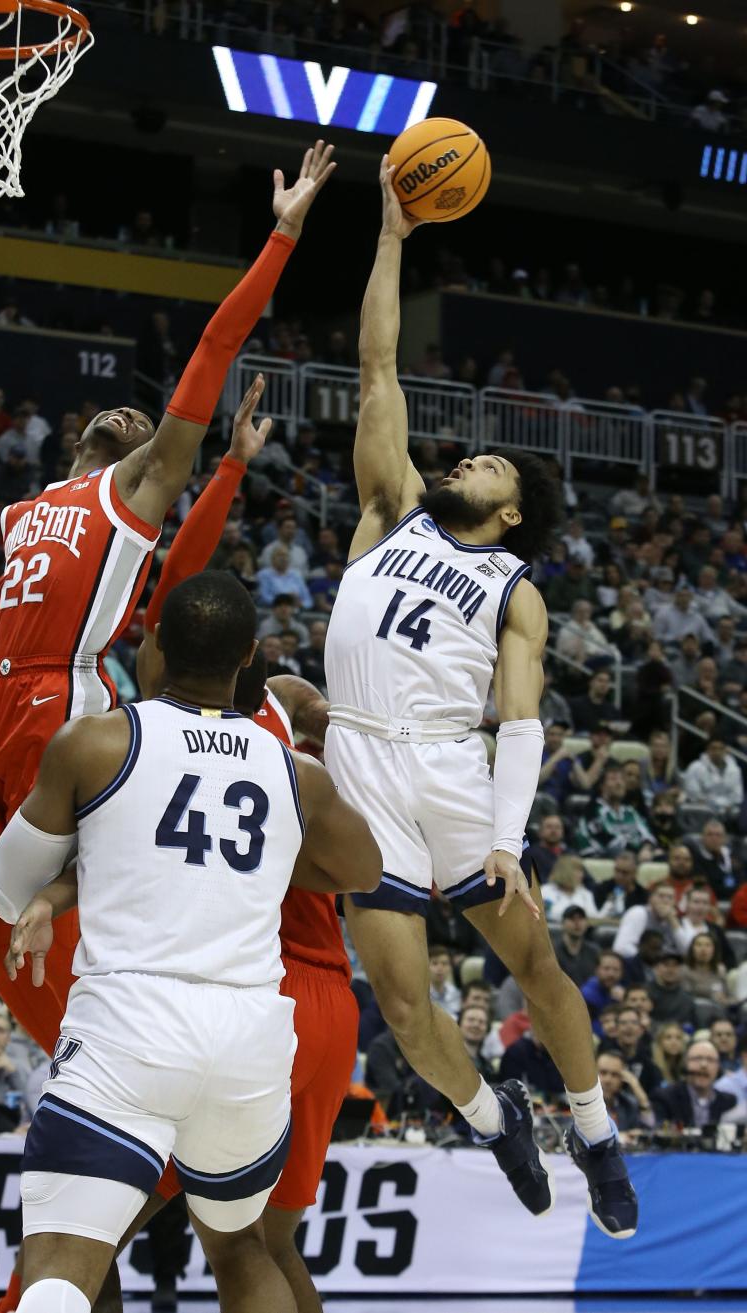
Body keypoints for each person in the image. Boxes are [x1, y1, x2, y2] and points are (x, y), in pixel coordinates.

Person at [0, 145, 336, 1080]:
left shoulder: (138, 490)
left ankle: (126, 1067)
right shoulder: (24, 509)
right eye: (116, 412)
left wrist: (281, 234)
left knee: (60, 903)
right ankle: (90, 1061)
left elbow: (208, 351)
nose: (133, 415)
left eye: (146, 417)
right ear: (79, 435)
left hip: (59, 705)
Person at [320, 157, 635, 1238]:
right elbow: (376, 365)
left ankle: (593, 1129)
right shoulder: (390, 507)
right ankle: (490, 1113)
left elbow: (522, 718)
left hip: (452, 767)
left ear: (511, 516)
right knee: (403, 1002)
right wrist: (394, 236)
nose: (473, 459)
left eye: (493, 466)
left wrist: (506, 833)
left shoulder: (517, 588)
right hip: (361, 765)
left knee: (535, 958)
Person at [0, 572, 380, 1313]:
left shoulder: (98, 740)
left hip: (129, 1028)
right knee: (241, 1245)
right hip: (249, 1041)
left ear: (155, 642)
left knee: (60, 1268)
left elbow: (8, 887)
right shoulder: (294, 771)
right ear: (249, 658)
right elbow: (363, 868)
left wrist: (71, 878)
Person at [575, 764, 655, 859]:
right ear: (602, 786)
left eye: (621, 779)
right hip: (600, 861)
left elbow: (647, 835)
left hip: (634, 859)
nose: (619, 783)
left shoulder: (630, 812)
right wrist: (638, 853)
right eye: (613, 779)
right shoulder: (592, 811)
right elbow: (608, 843)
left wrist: (646, 849)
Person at [651, 1040, 738, 1128]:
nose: (703, 1065)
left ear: (718, 1067)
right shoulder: (665, 1098)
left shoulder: (728, 1102)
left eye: (710, 1060)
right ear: (685, 1064)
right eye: (697, 1058)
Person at [599, 1004, 662, 1096]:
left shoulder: (648, 1063)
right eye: (623, 1023)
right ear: (616, 1029)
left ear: (641, 1030)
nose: (629, 1027)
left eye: (634, 1022)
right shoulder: (603, 1055)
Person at [613, 881, 685, 959]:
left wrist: (673, 920)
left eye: (670, 897)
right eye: (661, 896)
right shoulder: (638, 913)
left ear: (675, 902)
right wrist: (651, 961)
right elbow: (621, 947)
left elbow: (686, 951)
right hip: (641, 964)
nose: (665, 901)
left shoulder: (675, 920)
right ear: (650, 898)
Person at [682, 738, 744, 827]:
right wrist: (714, 807)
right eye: (713, 748)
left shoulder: (735, 770)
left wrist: (724, 808)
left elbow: (737, 797)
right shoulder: (695, 767)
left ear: (726, 750)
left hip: (727, 813)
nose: (717, 752)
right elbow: (693, 795)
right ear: (707, 750)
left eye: (720, 748)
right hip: (701, 811)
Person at [596, 1051, 653, 1134]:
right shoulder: (581, 1104)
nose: (608, 1080)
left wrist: (641, 1097)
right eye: (603, 1073)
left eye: (615, 1074)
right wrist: (621, 1137)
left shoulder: (629, 1103)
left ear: (623, 1078)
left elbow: (649, 1130)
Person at [647, 950, 697, 1027]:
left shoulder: (686, 998)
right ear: (655, 968)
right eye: (666, 965)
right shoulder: (644, 993)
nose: (671, 970)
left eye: (675, 965)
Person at [554, 906, 601, 986]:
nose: (577, 923)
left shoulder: (594, 951)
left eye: (581, 918)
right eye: (572, 919)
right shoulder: (553, 951)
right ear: (563, 923)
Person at [581, 953, 625, 1034]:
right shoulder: (587, 995)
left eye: (616, 970)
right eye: (606, 968)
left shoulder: (620, 991)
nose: (611, 974)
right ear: (597, 970)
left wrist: (624, 1001)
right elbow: (587, 1028)